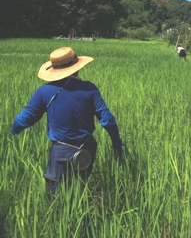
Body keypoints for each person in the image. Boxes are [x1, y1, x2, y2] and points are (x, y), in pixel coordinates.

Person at [11, 47, 123, 194]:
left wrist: (13, 131)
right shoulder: (89, 89)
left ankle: (60, 215)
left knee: (55, 195)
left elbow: (25, 119)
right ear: (76, 68)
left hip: (61, 152)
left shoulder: (44, 92)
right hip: (87, 149)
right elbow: (107, 120)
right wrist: (117, 144)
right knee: (80, 189)